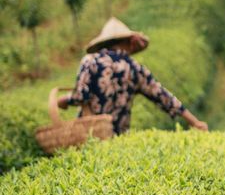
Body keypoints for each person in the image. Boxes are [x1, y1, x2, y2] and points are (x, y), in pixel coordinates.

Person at [58, 16, 208, 135]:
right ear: (129, 42)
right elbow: (163, 96)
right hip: (117, 137)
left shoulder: (90, 61)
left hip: (89, 134)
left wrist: (64, 100)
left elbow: (80, 96)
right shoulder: (134, 68)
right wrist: (195, 122)